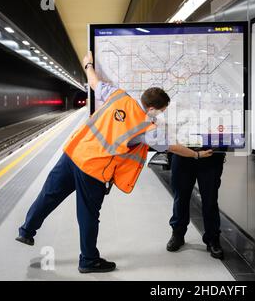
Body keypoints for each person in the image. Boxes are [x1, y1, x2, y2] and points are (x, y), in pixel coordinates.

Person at [16, 52, 213, 274]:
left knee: (49, 195)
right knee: (88, 215)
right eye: (162, 110)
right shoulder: (146, 127)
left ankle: (26, 230)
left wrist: (88, 63)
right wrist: (196, 155)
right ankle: (88, 261)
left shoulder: (118, 95)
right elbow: (173, 147)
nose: (161, 114)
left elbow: (93, 82)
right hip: (94, 169)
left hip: (73, 154)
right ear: (152, 108)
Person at [166, 150, 226, 260]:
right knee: (180, 197)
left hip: (211, 155)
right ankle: (178, 234)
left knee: (210, 200)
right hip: (182, 154)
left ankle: (213, 239)